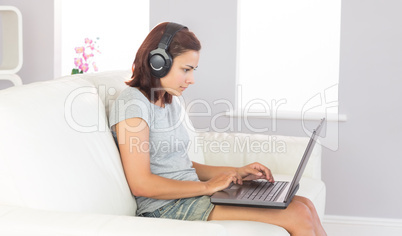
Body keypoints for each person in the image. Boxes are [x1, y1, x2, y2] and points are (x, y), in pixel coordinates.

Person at [109, 22, 327, 236]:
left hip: (189, 195)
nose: (191, 80)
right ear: (158, 63)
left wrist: (235, 172)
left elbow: (180, 165)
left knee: (305, 204)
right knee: (297, 213)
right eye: (185, 69)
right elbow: (141, 184)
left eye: (193, 70)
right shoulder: (132, 104)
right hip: (164, 208)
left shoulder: (168, 100)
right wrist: (207, 187)